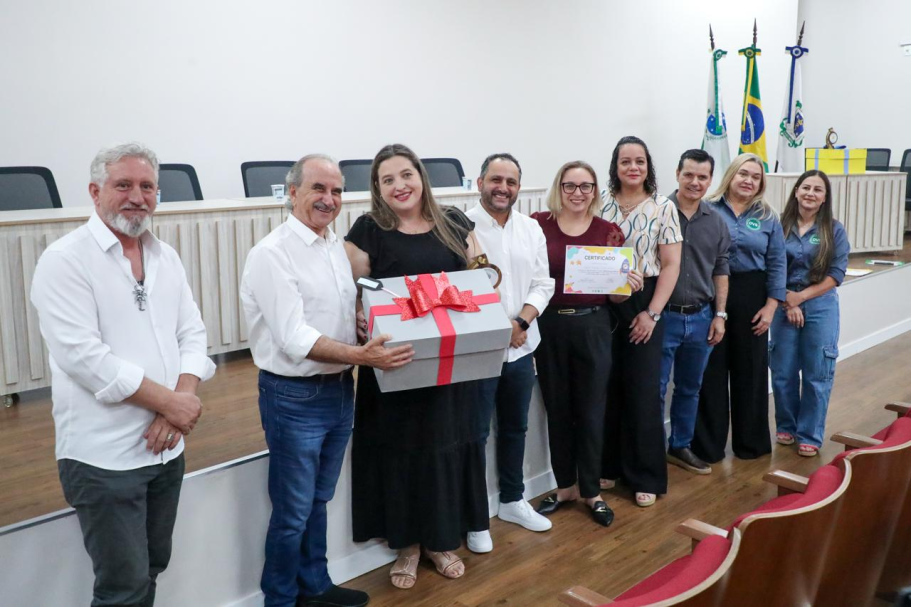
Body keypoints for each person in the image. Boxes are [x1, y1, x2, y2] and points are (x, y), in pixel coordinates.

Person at [30, 142, 216, 607]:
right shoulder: (64, 259)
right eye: (123, 185)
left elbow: (192, 333)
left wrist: (181, 402)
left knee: (151, 569)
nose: (137, 196)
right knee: (121, 588)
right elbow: (84, 358)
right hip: (103, 459)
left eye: (147, 186)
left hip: (166, 448)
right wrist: (169, 403)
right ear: (95, 192)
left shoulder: (164, 256)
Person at [241, 154, 412, 607]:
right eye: (318, 189)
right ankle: (278, 598)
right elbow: (294, 336)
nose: (329, 199)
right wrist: (362, 355)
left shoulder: (334, 245)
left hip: (339, 389)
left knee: (317, 501)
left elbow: (334, 312)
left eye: (336, 191)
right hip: (293, 396)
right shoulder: (272, 254)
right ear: (292, 192)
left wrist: (357, 325)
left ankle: (314, 586)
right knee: (292, 513)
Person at [344, 144, 489, 590]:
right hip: (395, 362)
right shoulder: (367, 230)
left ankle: (441, 540)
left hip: (450, 362)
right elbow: (351, 292)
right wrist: (359, 313)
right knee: (402, 448)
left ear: (421, 177)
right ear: (377, 189)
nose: (399, 185)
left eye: (405, 175)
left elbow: (482, 276)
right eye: (387, 179)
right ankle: (406, 545)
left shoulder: (455, 223)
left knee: (446, 444)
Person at [532, 160, 643, 527]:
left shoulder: (608, 231)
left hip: (593, 326)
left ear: (595, 191)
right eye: (570, 185)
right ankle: (565, 487)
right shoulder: (537, 224)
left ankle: (592, 491)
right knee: (557, 408)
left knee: (592, 410)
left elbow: (616, 298)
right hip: (548, 326)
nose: (577, 193)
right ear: (558, 188)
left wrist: (627, 286)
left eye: (585, 186)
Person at [464, 153, 555, 553]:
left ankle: (513, 500)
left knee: (515, 428)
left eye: (511, 182)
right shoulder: (460, 226)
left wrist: (521, 323)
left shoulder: (530, 228)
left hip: (521, 347)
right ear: (480, 181)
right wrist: (497, 330)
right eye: (495, 180)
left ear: (519, 187)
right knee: (474, 434)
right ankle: (473, 516)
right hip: (477, 352)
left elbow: (542, 283)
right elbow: (456, 288)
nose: (503, 188)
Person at [600, 136, 682, 508]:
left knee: (643, 392)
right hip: (603, 301)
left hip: (646, 300)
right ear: (615, 167)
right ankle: (608, 466)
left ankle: (644, 475)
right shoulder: (599, 204)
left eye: (639, 162)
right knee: (607, 386)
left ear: (648, 167)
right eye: (625, 162)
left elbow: (671, 265)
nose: (632, 168)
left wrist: (652, 313)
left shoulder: (664, 207)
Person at [692, 153, 786, 463]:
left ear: (761, 183)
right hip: (712, 294)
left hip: (752, 295)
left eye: (755, 176)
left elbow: (777, 263)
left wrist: (772, 306)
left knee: (751, 371)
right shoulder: (706, 209)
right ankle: (708, 447)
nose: (748, 180)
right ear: (731, 175)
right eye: (742, 173)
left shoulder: (769, 216)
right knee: (712, 371)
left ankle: (751, 444)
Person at [660, 149, 730, 476]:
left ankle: (680, 446)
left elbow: (721, 269)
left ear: (710, 180)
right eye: (689, 174)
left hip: (701, 317)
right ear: (677, 174)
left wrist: (720, 314)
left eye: (702, 177)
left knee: (690, 387)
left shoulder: (716, 221)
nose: (695, 182)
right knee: (654, 389)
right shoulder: (657, 212)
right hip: (663, 317)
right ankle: (648, 452)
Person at [770, 170, 850, 457]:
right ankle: (787, 426)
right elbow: (770, 266)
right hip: (782, 302)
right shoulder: (778, 225)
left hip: (820, 304)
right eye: (806, 188)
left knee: (818, 372)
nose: (810, 194)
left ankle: (810, 435)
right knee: (783, 371)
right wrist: (787, 302)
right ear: (796, 191)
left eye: (818, 190)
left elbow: (836, 274)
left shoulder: (834, 230)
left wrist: (800, 298)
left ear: (825, 198)